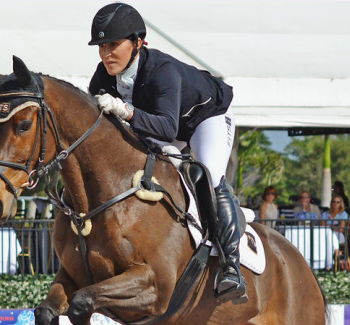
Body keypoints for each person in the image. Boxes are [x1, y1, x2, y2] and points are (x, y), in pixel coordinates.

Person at [87, 3, 246, 301]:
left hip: (205, 118)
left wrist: (125, 110)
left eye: (113, 44)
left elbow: (167, 129)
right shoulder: (103, 76)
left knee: (209, 176)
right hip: (162, 126)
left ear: (137, 43)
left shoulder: (162, 71)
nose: (106, 52)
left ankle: (230, 266)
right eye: (101, 46)